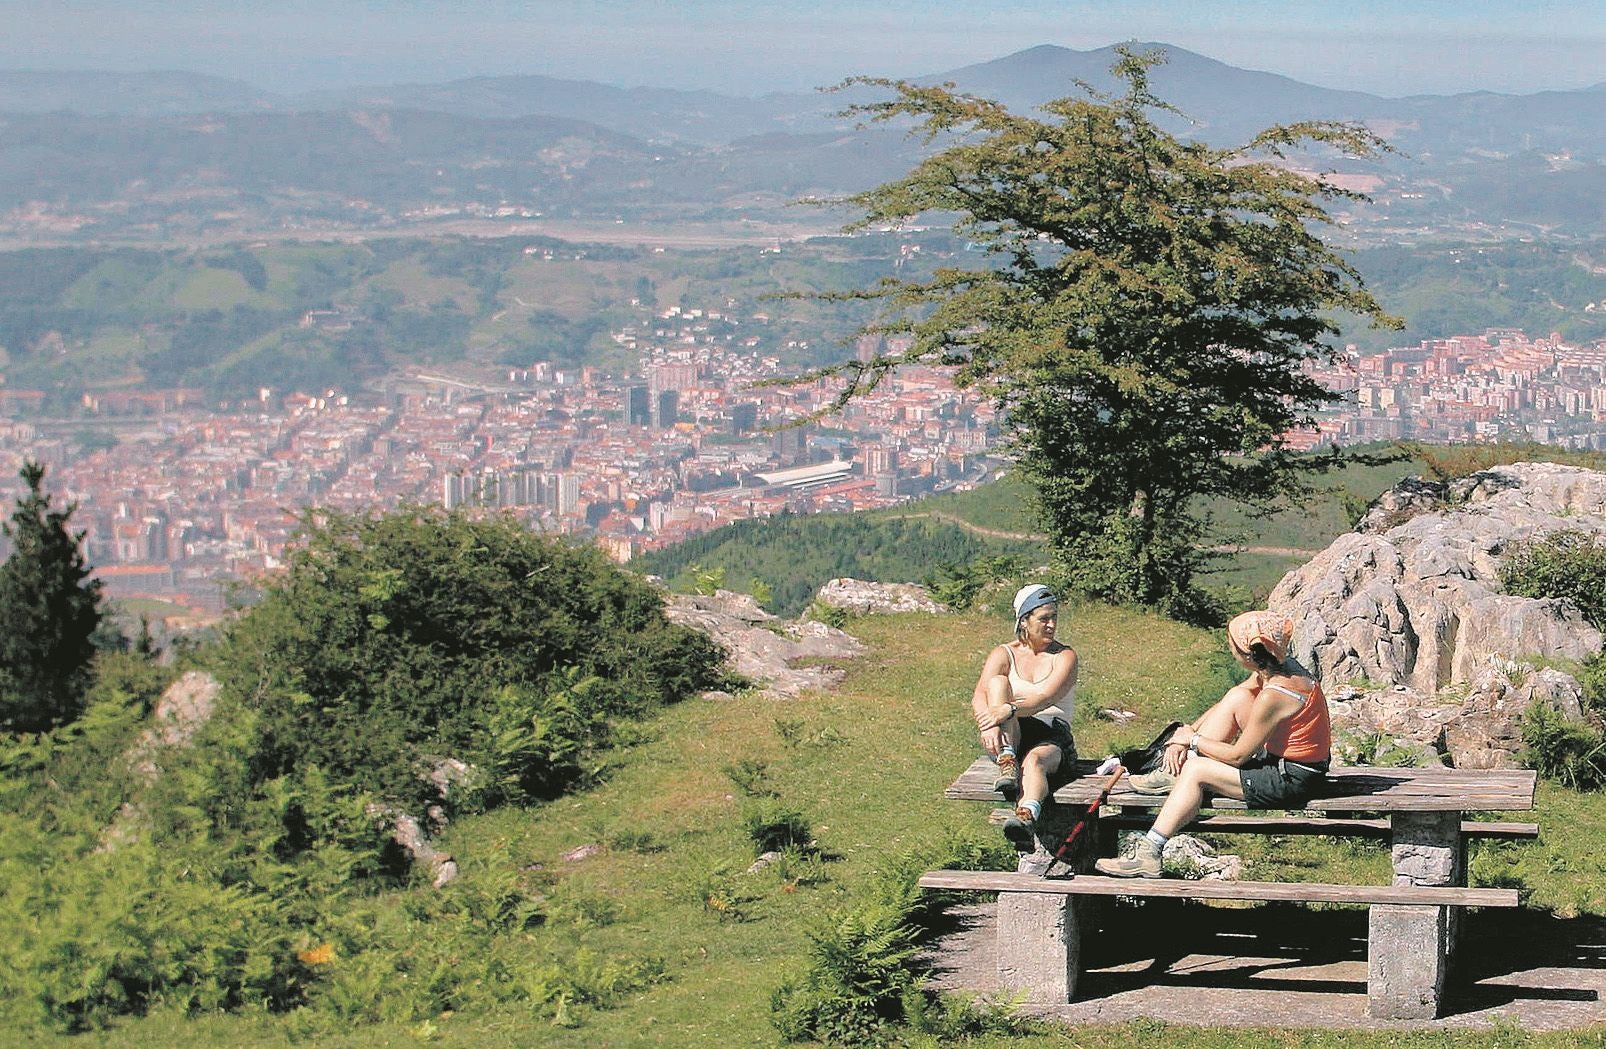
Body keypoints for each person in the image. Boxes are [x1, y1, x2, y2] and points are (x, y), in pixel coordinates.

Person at [1095, 610, 1330, 878]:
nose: (1229, 647)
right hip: (1289, 763)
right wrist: (1185, 736)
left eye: (1231, 643)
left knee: (1197, 772)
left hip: (1291, 777)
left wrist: (1194, 740)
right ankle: (1175, 772)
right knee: (1236, 696)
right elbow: (1227, 705)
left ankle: (1149, 852)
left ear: (1248, 654)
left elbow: (1238, 757)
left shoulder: (1276, 695)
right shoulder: (1279, 668)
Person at [971, 584, 1079, 851]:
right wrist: (987, 725)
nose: (1052, 624)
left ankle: (1027, 814)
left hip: (1050, 732)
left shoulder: (1064, 656)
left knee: (1034, 761)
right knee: (997, 683)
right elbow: (979, 697)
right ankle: (1007, 758)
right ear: (1024, 620)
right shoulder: (1003, 653)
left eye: (1054, 617)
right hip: (1011, 732)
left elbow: (1044, 697)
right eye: (1044, 618)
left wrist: (1008, 710)